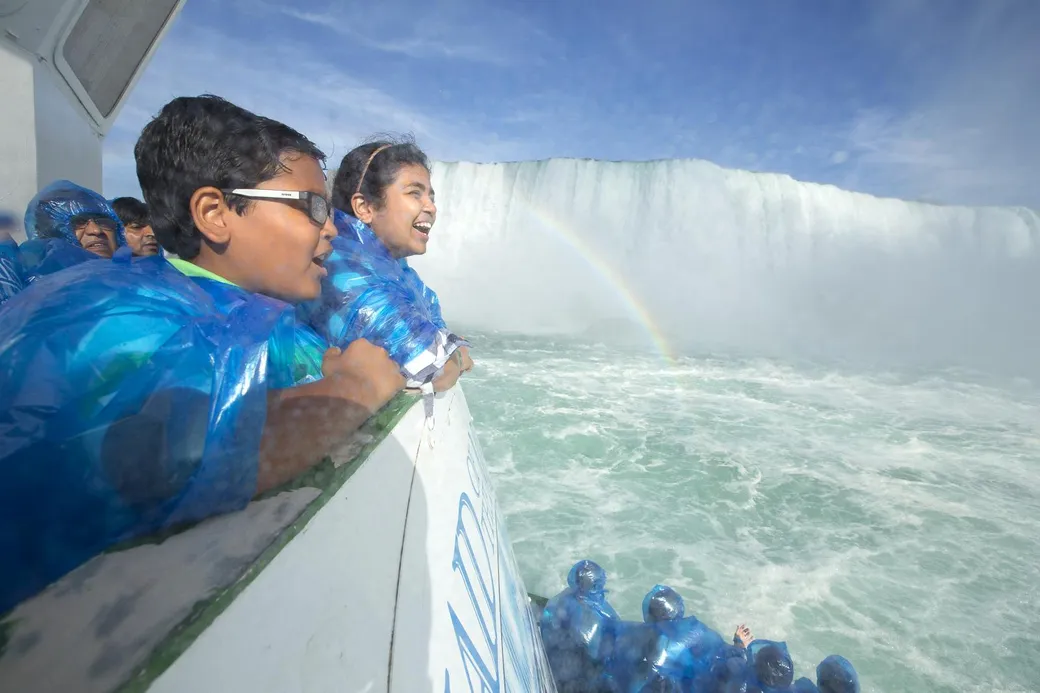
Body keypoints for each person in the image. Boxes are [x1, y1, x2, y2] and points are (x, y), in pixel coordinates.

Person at [0, 95, 404, 615]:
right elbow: (177, 453)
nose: (331, 228)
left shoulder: (255, 313)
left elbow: (304, 362)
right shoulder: (119, 315)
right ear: (215, 213)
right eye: (312, 206)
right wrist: (358, 388)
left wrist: (339, 370)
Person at [300, 138, 473, 394]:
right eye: (415, 193)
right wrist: (456, 356)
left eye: (430, 196)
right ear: (365, 207)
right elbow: (429, 364)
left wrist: (450, 350)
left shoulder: (392, 267)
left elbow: (434, 322)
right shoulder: (342, 270)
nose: (432, 207)